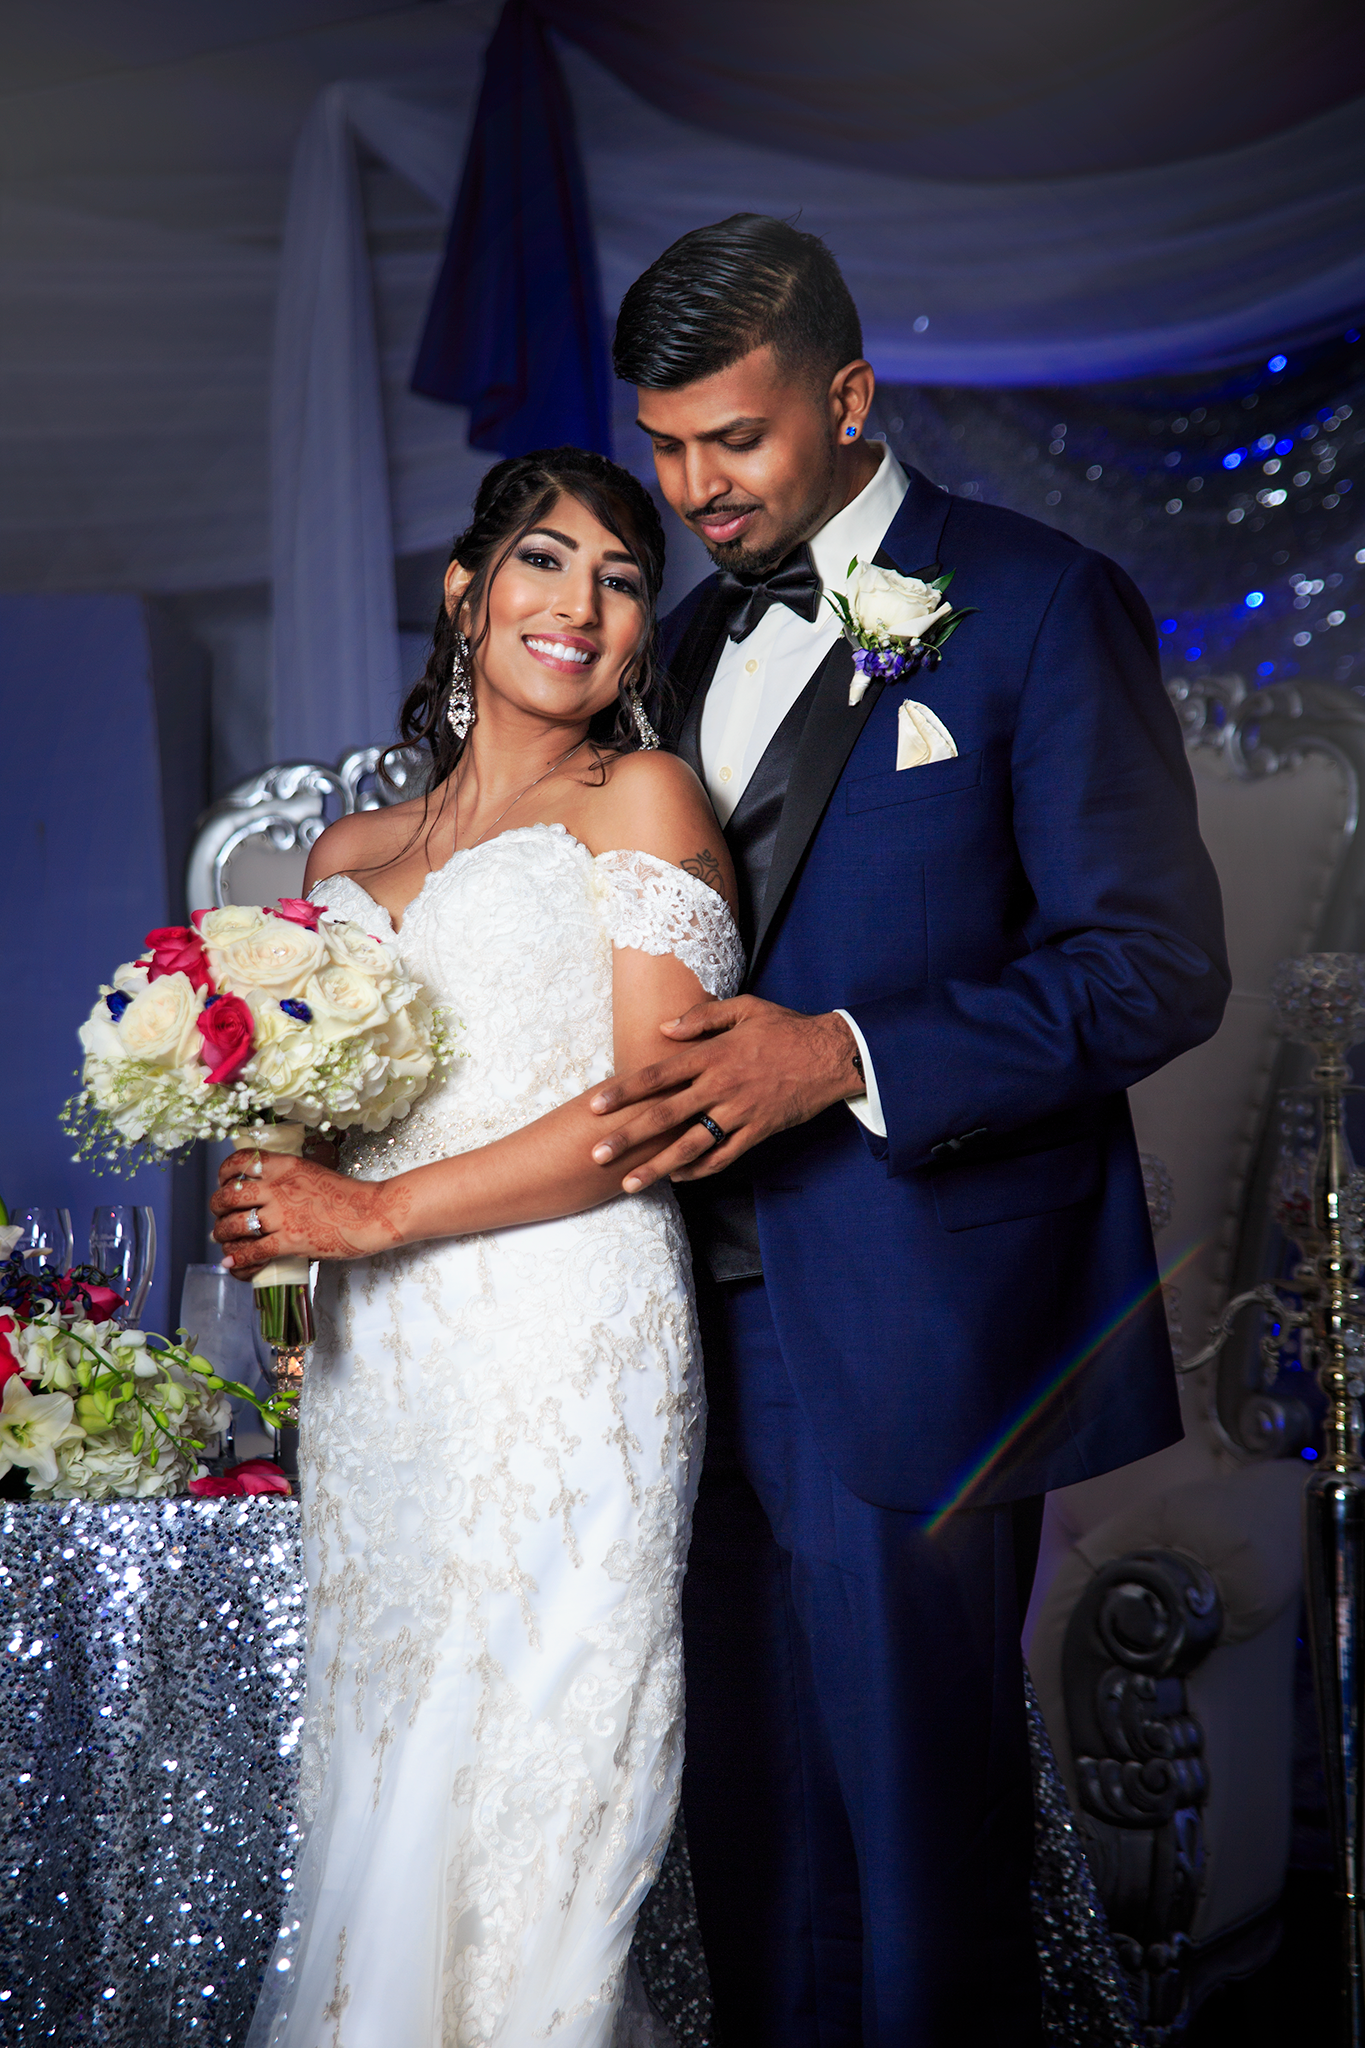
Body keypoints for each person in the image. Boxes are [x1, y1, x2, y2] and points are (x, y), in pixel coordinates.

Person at [586, 216, 1230, 2046]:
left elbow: (1156, 966)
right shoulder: (675, 647)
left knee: (921, 1859)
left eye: (736, 438)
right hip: (665, 1338)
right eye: (665, 447)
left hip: (916, 1322)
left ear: (851, 397)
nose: (694, 490)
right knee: (750, 1847)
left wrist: (846, 1055)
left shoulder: (1038, 600)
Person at [212, 447, 744, 2048]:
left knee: (533, 1799)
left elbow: (655, 1111)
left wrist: (373, 1213)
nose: (581, 602)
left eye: (624, 578)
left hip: (567, 1336)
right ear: (468, 590)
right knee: (385, 1781)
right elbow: (308, 1136)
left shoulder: (641, 801)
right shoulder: (342, 860)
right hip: (379, 1375)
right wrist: (275, 1205)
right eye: (545, 560)